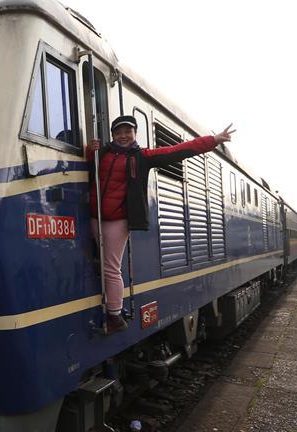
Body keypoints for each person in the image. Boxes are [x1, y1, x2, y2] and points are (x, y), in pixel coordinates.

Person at [86, 116, 235, 334]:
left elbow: (180, 150)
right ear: (113, 134)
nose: (124, 136)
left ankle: (115, 316)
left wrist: (213, 140)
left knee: (111, 267)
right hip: (93, 217)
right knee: (99, 262)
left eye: (128, 131)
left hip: (117, 220)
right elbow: (89, 167)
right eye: (119, 132)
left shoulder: (143, 156)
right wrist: (92, 151)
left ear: (135, 133)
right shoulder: (105, 152)